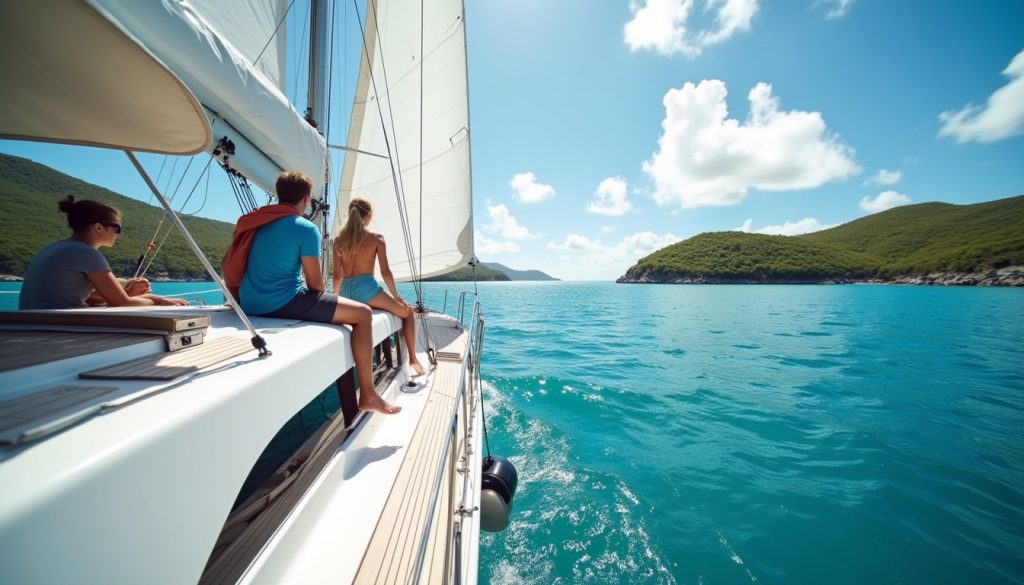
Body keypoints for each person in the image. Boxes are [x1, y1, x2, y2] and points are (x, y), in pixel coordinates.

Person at [223, 172, 400, 415]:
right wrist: (332, 303)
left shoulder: (256, 223)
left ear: (279, 195)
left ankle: (368, 393)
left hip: (248, 302)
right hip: (282, 303)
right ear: (306, 199)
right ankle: (368, 394)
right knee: (363, 314)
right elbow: (316, 285)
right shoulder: (306, 229)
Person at [19, 196, 187, 310]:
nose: (118, 234)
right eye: (116, 228)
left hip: (29, 324)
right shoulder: (86, 254)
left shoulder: (53, 248)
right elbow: (121, 304)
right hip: (58, 328)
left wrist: (126, 291)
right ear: (98, 227)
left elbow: (89, 297)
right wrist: (158, 300)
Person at [332, 197, 427, 377]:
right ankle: (413, 358)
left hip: (346, 292)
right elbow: (385, 272)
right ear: (369, 215)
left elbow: (337, 275)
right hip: (367, 290)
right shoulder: (376, 238)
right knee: (407, 313)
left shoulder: (338, 239)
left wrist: (335, 299)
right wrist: (396, 296)